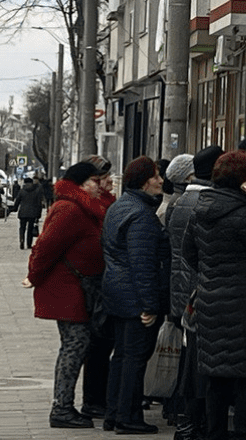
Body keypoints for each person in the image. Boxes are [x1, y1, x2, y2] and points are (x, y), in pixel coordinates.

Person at [187, 151, 246, 440]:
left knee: (215, 373)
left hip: (209, 301)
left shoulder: (200, 209)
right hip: (244, 303)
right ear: (243, 181)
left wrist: (211, 274)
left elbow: (189, 253)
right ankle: (241, 433)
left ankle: (215, 433)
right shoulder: (244, 213)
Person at [27, 162, 107, 428]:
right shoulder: (69, 209)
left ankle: (65, 406)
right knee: (74, 347)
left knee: (77, 346)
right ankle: (61, 408)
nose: (100, 185)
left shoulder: (83, 207)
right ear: (81, 184)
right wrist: (33, 276)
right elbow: (45, 247)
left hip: (79, 289)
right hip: (68, 290)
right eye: (95, 180)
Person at [102, 157, 172, 434]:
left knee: (121, 355)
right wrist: (149, 305)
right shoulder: (141, 215)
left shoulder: (120, 206)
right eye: (155, 176)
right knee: (135, 357)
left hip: (117, 292)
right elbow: (143, 264)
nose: (160, 181)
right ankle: (128, 416)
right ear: (144, 182)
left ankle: (113, 413)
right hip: (134, 296)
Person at [165, 146, 222, 440]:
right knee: (196, 362)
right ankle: (189, 422)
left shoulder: (181, 200)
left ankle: (185, 418)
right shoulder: (202, 202)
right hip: (195, 291)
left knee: (191, 359)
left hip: (183, 287)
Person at [81, 155, 117, 420]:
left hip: (103, 278)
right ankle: (93, 400)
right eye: (104, 177)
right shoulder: (90, 205)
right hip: (93, 281)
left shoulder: (107, 202)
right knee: (96, 343)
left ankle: (99, 397)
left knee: (103, 342)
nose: (110, 181)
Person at [15, 176, 45, 250]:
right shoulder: (36, 191)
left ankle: (21, 240)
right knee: (30, 228)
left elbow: (17, 200)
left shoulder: (22, 191)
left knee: (22, 227)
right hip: (33, 213)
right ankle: (29, 244)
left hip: (23, 212)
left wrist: (15, 208)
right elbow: (39, 203)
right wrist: (39, 214)